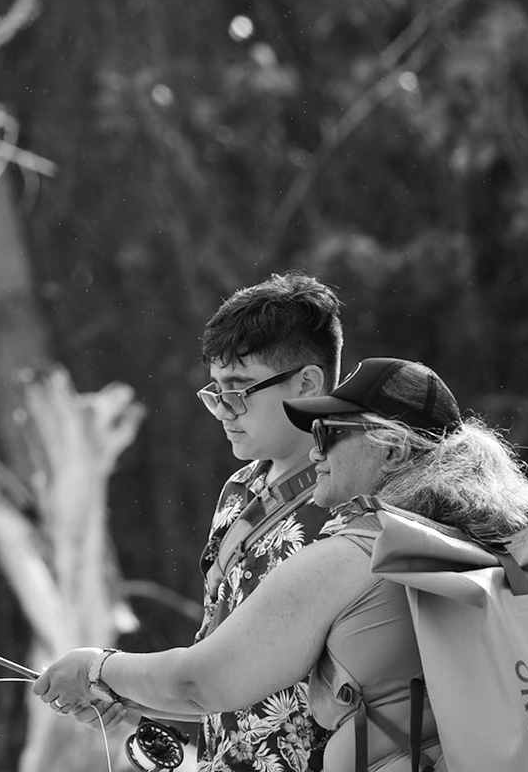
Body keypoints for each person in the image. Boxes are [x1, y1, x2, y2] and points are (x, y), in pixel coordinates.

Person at [32, 357, 528, 772]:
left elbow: (203, 682)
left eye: (328, 433)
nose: (315, 452)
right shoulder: (477, 541)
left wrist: (96, 666)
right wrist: (126, 692)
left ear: (391, 450)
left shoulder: (357, 555)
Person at [186, 273, 347, 772]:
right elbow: (213, 667)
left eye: (239, 391)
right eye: (215, 392)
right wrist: (120, 696)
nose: (223, 412)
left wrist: (103, 668)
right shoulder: (238, 490)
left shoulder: (354, 498)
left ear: (307, 384)